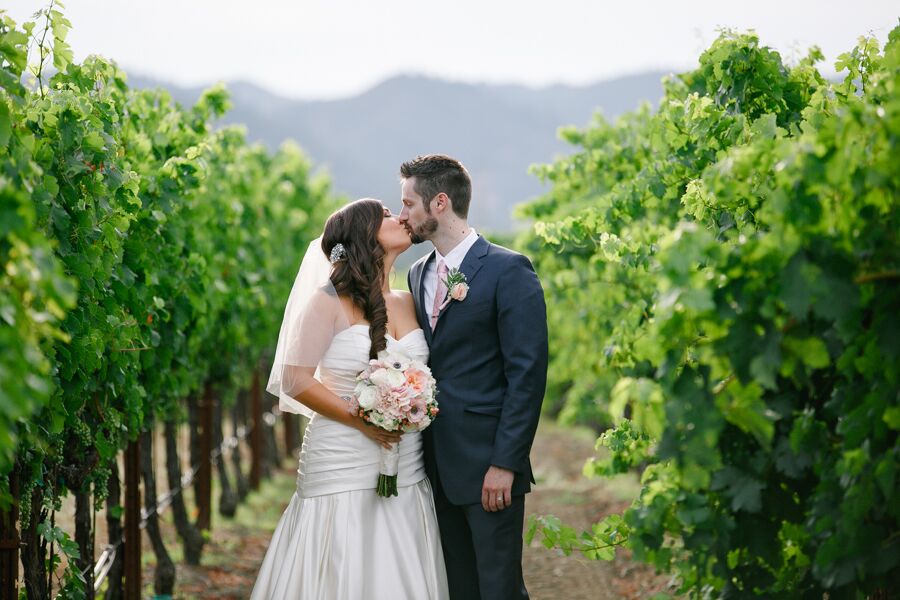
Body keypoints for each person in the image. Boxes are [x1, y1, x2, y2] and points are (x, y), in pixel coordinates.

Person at [251, 198, 449, 599]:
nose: (400, 218)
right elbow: (295, 379)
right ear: (365, 234)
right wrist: (364, 420)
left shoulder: (408, 300)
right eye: (388, 215)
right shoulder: (326, 301)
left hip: (406, 462)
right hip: (342, 456)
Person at [400, 154, 549, 600]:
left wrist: (505, 463)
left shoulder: (509, 270)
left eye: (408, 203)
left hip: (489, 467)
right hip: (432, 468)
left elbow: (527, 375)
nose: (402, 213)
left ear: (439, 203)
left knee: (499, 589)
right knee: (457, 589)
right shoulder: (416, 273)